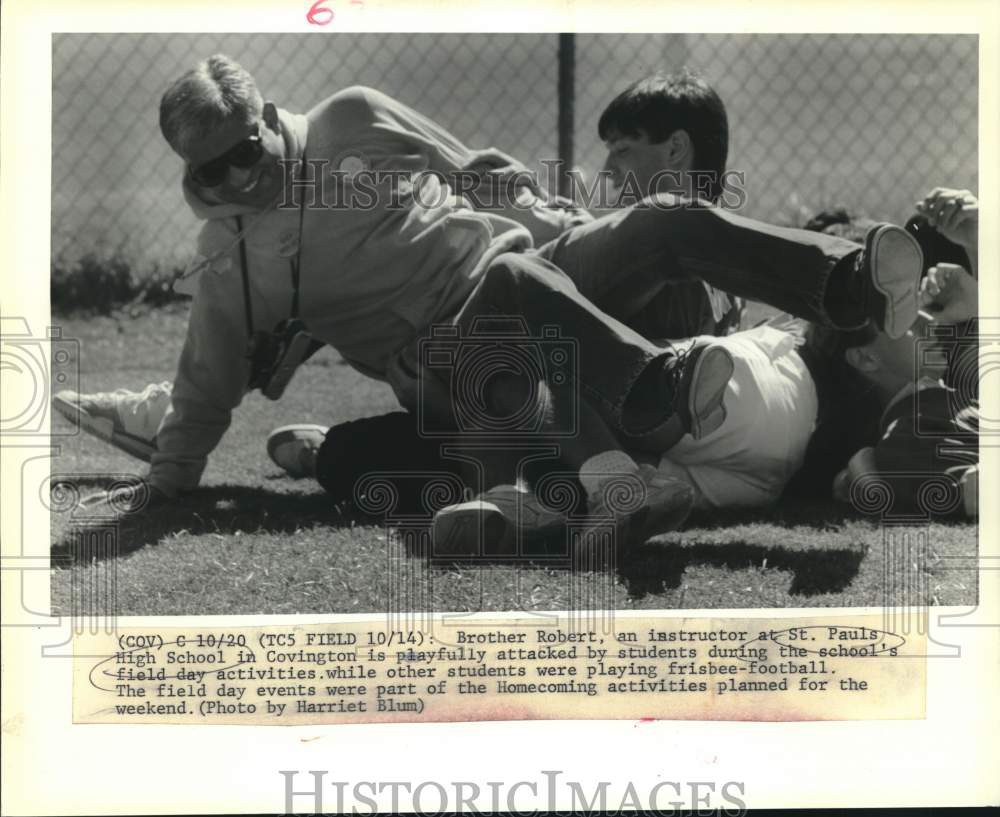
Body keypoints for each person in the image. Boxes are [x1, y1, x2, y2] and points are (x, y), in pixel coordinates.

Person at [57, 55, 923, 552]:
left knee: (658, 223)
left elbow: (475, 175)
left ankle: (845, 283)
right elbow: (205, 384)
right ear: (191, 174)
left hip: (531, 262)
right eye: (211, 173)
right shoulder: (231, 260)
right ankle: (633, 418)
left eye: (246, 152)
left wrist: (569, 218)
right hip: (452, 361)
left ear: (267, 119)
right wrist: (165, 485)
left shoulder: (352, 119)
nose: (238, 179)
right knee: (513, 304)